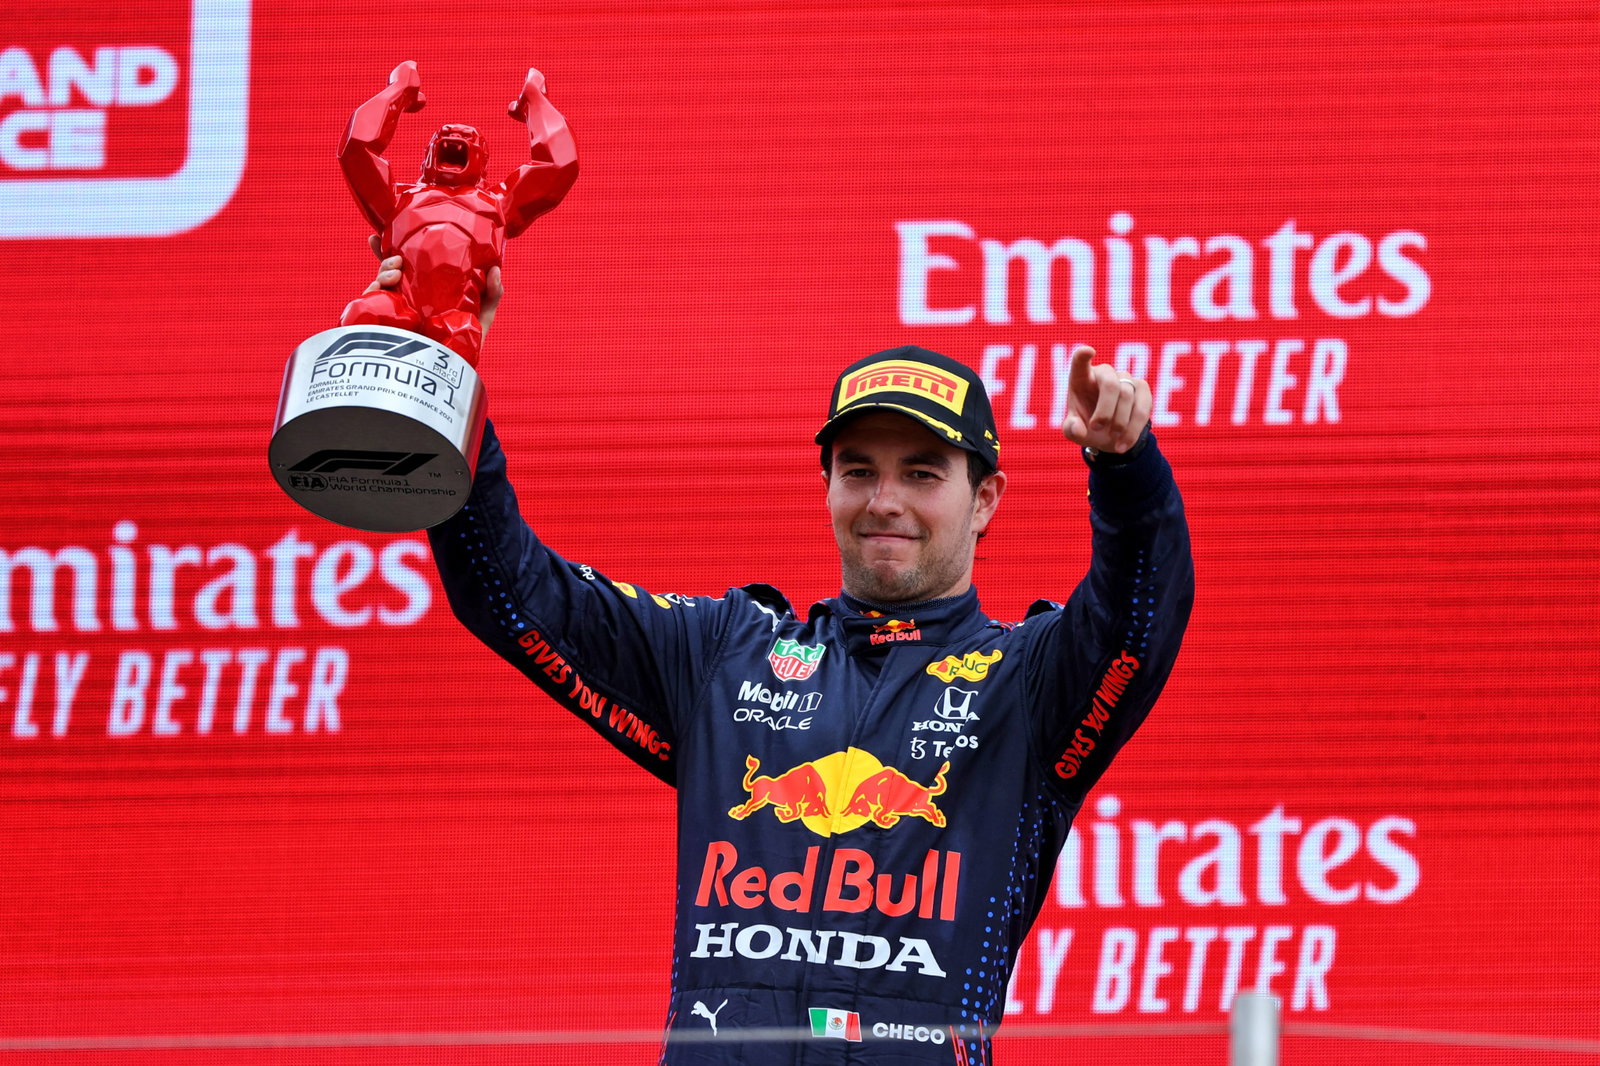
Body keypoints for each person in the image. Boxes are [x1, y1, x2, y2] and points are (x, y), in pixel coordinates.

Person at [369, 253, 1194, 1063]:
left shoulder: (1027, 685)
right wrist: (447, 372)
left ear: (984, 501)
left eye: (921, 473)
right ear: (826, 485)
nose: (884, 501)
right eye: (858, 470)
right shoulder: (727, 654)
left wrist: (1126, 472)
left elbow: (1137, 623)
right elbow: (512, 595)